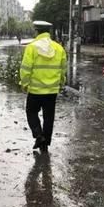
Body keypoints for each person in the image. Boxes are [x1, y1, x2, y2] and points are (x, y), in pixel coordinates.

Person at [20, 21, 67, 152]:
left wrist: (24, 83)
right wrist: (61, 82)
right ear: (49, 32)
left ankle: (38, 135)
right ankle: (45, 142)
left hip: (35, 90)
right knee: (49, 116)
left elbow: (25, 69)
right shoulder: (59, 48)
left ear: (36, 31)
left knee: (31, 112)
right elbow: (63, 69)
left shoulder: (31, 47)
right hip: (52, 91)